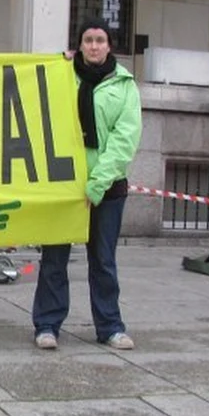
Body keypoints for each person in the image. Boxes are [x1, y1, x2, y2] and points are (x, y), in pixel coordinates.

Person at [31, 18, 142, 351]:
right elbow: (36, 89)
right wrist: (57, 59)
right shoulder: (63, 75)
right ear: (79, 45)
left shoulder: (124, 86)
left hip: (107, 189)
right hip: (64, 184)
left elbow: (125, 140)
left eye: (100, 40)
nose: (94, 46)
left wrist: (97, 184)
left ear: (110, 45)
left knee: (103, 260)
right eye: (88, 40)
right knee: (54, 259)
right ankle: (47, 324)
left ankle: (110, 326)